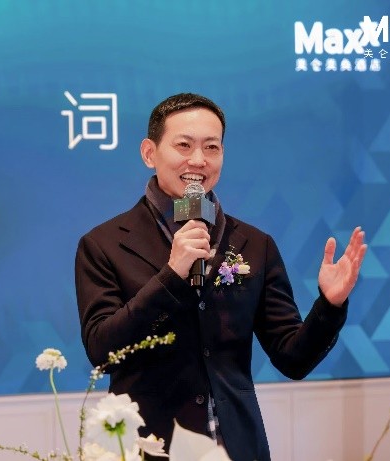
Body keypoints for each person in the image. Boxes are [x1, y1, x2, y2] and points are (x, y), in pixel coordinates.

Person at [75, 93, 367, 461]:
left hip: (237, 447)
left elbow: (293, 358)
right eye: (184, 145)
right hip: (149, 448)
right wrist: (171, 275)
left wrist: (330, 305)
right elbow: (102, 351)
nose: (198, 160)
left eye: (211, 147)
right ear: (150, 153)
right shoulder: (104, 245)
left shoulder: (254, 245)